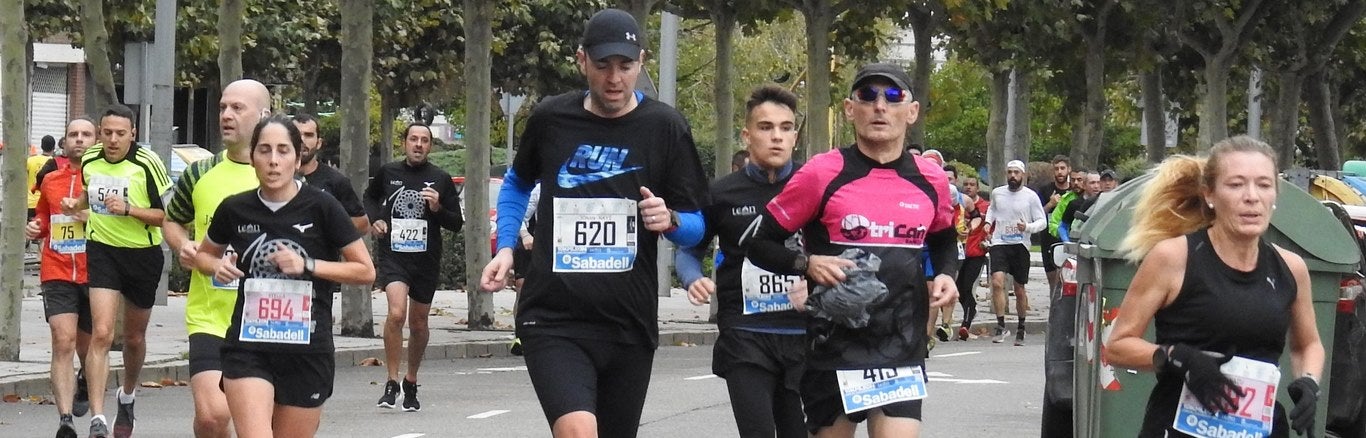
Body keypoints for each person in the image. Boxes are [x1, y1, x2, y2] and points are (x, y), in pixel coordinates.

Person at [478, 8, 710, 437]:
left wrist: (671, 219)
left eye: (626, 66)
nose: (615, 79)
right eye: (603, 66)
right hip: (554, 317)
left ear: (642, 61)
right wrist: (506, 246)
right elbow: (516, 184)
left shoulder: (665, 127)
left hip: (628, 322)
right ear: (582, 60)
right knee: (579, 431)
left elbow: (698, 226)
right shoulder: (552, 118)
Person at [743, 63, 959, 438]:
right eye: (867, 96)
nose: (879, 106)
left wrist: (945, 274)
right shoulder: (821, 173)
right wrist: (805, 263)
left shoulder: (931, 178)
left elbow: (942, 239)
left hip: (900, 346)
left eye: (893, 97)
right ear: (849, 108)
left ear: (911, 111)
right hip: (834, 349)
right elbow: (757, 242)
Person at [1106, 136, 1323, 437]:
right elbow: (1117, 345)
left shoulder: (1291, 268)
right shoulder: (1174, 258)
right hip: (1181, 428)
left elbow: (1307, 344)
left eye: (1263, 184)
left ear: (1275, 193)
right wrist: (1174, 356)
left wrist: (1309, 382)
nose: (1251, 197)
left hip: (1261, 429)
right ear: (1210, 195)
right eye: (1235, 185)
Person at [193, 115, 374, 438]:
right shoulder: (235, 208)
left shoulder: (323, 207)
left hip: (306, 347)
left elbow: (364, 271)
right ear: (252, 157)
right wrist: (214, 266)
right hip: (249, 345)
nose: (273, 161)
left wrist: (308, 265)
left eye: (283, 151)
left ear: (298, 156)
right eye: (264, 150)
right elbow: (205, 255)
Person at [676, 85, 806, 437]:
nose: (776, 137)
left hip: (804, 334)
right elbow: (690, 249)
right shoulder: (721, 192)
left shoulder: (815, 187)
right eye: (766, 127)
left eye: (785, 127)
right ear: (747, 135)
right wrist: (692, 279)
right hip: (745, 333)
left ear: (795, 135)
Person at [163, 79, 271, 438]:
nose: (226, 115)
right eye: (224, 107)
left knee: (255, 424)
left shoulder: (279, 176)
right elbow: (171, 220)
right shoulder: (199, 172)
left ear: (264, 115)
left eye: (238, 108)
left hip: (267, 321)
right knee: (212, 417)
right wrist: (183, 245)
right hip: (210, 317)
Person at [59, 104, 172, 438]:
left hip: (142, 255)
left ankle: (128, 395)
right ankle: (98, 418)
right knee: (103, 333)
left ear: (133, 134)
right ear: (100, 130)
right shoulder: (91, 158)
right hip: (102, 250)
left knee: (134, 338)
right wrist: (75, 205)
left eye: (120, 134)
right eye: (107, 132)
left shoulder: (147, 163)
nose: (112, 140)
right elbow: (88, 195)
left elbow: (169, 216)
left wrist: (130, 210)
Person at [365, 123, 463, 412]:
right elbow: (370, 197)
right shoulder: (389, 172)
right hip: (394, 254)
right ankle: (391, 381)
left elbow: (455, 223)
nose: (418, 145)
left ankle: (411, 380)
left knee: (418, 324)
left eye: (424, 141)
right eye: (413, 139)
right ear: (404, 143)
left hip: (426, 259)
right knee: (396, 313)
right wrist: (375, 219)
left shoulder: (441, 179)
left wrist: (437, 209)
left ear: (430, 146)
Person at [27, 121, 95, 438]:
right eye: (73, 135)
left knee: (88, 346)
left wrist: (85, 215)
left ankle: (85, 383)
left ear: (95, 141)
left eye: (86, 135)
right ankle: (65, 420)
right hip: (56, 270)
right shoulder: (51, 180)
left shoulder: (102, 181)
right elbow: (45, 217)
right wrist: (36, 226)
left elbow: (122, 222)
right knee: (62, 340)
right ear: (64, 142)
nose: (79, 140)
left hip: (95, 272)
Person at [985, 160, 1046, 346]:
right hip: (999, 242)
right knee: (997, 282)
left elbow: (1042, 221)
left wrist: (1027, 226)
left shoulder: (1030, 196)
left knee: (1019, 289)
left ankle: (1021, 327)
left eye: (1016, 173)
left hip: (1020, 244)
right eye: (1010, 172)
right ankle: (1001, 325)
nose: (1013, 176)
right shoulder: (998, 193)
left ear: (1023, 175)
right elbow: (992, 209)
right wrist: (988, 223)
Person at [294, 113, 369, 234]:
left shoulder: (336, 181)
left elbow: (362, 224)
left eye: (308, 135)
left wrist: (327, 228)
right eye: (296, 134)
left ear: (318, 143)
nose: (302, 140)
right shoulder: (276, 178)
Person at [955, 176, 991, 341]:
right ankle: (972, 309)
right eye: (966, 184)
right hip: (959, 253)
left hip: (976, 253)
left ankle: (965, 324)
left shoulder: (985, 206)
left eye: (972, 185)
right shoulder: (959, 204)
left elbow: (992, 226)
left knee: (967, 287)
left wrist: (988, 240)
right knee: (958, 290)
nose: (968, 187)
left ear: (977, 188)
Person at [1035, 155, 1071, 296]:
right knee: (1053, 282)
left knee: (1066, 279)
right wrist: (1050, 204)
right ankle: (1053, 313)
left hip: (1066, 239)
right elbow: (1037, 215)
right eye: (1056, 169)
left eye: (1062, 168)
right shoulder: (1045, 190)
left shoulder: (1073, 191)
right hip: (1048, 239)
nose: (1060, 172)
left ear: (1069, 169)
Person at [1057, 171, 1100, 242]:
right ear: (1084, 185)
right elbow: (1062, 227)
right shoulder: (1074, 204)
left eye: (1098, 182)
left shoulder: (1105, 203)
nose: (1096, 186)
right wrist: (1067, 242)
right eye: (1092, 183)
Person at [28, 135, 57, 220]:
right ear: (54, 147)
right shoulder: (55, 163)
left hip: (30, 203)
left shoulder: (30, 161)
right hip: (46, 204)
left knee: (30, 231)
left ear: (41, 146)